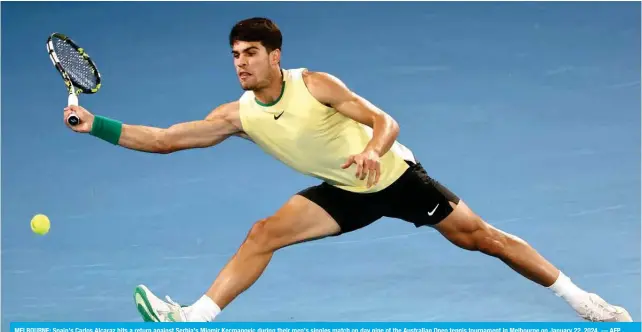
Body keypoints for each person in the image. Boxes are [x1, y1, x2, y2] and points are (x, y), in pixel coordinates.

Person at [63, 17, 632, 323]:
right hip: (344, 191)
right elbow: (165, 140)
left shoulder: (315, 85)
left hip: (395, 178)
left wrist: (372, 151)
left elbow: (385, 120)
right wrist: (97, 126)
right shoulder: (237, 116)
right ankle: (195, 317)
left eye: (250, 54)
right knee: (263, 233)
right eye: (234, 55)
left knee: (485, 239)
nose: (240, 63)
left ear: (274, 56)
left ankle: (585, 303)